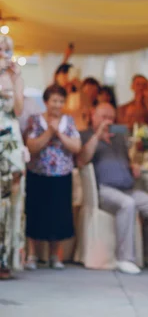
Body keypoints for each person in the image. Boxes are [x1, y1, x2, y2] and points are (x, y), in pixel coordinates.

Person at [78, 102, 148, 274]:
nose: (108, 121)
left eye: (111, 117)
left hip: (128, 188)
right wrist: (97, 135)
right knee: (127, 204)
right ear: (93, 116)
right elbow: (82, 160)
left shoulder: (119, 138)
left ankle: (145, 254)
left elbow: (127, 159)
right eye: (104, 117)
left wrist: (132, 165)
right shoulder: (86, 135)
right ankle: (124, 258)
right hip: (104, 191)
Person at [24, 84, 82, 270]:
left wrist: (59, 133)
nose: (57, 105)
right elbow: (32, 145)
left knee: (59, 214)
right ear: (46, 102)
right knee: (35, 212)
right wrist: (49, 132)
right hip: (38, 173)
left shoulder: (69, 122)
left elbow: (76, 147)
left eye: (61, 101)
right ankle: (32, 254)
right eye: (54, 100)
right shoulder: (35, 120)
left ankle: (55, 256)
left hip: (61, 174)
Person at [0, 35, 27, 280]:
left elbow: (18, 110)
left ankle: (5, 257)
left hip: (8, 135)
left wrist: (15, 78)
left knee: (11, 195)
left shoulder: (13, 75)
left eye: (6, 49)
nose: (3, 53)